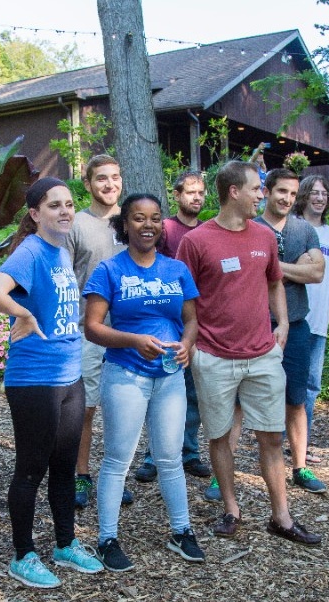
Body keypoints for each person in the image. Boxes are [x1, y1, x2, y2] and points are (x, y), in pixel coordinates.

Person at [176, 160, 321, 546]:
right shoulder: (196, 242)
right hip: (214, 355)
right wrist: (191, 339)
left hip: (262, 355)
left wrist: (284, 322)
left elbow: (275, 281)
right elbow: (183, 295)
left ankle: (282, 516)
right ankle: (231, 509)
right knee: (220, 436)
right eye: (257, 188)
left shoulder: (263, 237)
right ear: (234, 192)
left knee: (271, 437)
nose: (263, 195)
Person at [0, 178, 105, 589]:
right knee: (31, 469)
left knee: (65, 467)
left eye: (69, 204)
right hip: (35, 380)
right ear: (35, 214)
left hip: (70, 376)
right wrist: (23, 314)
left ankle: (65, 544)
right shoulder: (31, 251)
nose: (65, 211)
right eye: (55, 206)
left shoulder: (60, 250)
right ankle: (23, 554)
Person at [84, 193, 207, 571]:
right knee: (119, 458)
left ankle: (181, 531)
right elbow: (92, 328)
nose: (148, 225)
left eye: (155, 218)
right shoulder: (109, 270)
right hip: (125, 374)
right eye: (139, 218)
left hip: (169, 376)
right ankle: (106, 538)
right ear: (125, 224)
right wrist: (134, 341)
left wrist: (186, 346)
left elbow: (191, 320)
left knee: (170, 457)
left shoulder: (176, 270)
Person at [66, 154, 132, 509]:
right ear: (88, 184)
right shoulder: (76, 225)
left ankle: (116, 477)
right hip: (87, 331)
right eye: (102, 179)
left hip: (128, 332)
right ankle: (82, 475)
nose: (110, 184)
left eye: (116, 177)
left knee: (123, 408)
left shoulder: (134, 221)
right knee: (86, 409)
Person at [136, 170, 210, 483]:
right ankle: (154, 456)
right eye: (190, 192)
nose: (196, 197)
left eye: (201, 192)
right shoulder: (164, 229)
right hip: (165, 323)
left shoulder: (209, 231)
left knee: (192, 393)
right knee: (160, 392)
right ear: (177, 195)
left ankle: (189, 452)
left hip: (198, 324)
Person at [254, 168, 325, 493]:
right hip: (253, 327)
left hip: (296, 326)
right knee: (240, 403)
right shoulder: (251, 228)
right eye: (281, 191)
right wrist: (299, 267)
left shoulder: (304, 230)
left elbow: (317, 274)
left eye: (293, 194)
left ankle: (300, 467)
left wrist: (272, 267)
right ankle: (218, 473)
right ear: (266, 191)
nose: (287, 198)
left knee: (296, 400)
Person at [294, 175, 329, 463]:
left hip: (318, 323)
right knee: (284, 381)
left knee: (312, 384)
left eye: (324, 193)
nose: (319, 197)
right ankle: (276, 441)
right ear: (303, 196)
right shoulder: (292, 229)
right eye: (314, 192)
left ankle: (301, 444)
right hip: (291, 319)